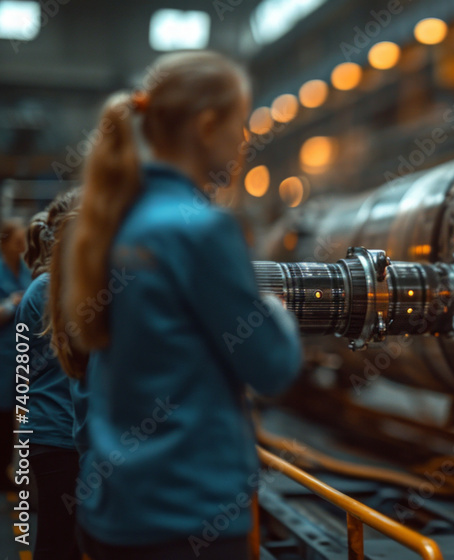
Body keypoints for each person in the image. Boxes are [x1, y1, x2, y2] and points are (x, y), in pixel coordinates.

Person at [51, 51, 303, 559]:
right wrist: (275, 310)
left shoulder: (108, 223)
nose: (244, 141)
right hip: (189, 517)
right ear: (208, 126)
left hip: (113, 515)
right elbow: (273, 367)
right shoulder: (202, 229)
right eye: (241, 124)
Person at [17, 189, 83, 560]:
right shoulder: (52, 289)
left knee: (63, 541)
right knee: (58, 544)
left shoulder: (42, 286)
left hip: (51, 431)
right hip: (60, 435)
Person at [0, 218, 31, 489]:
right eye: (17, 242)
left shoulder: (25, 270)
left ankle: (7, 471)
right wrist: (11, 304)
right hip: (2, 356)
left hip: (18, 357)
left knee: (14, 420)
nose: (22, 248)